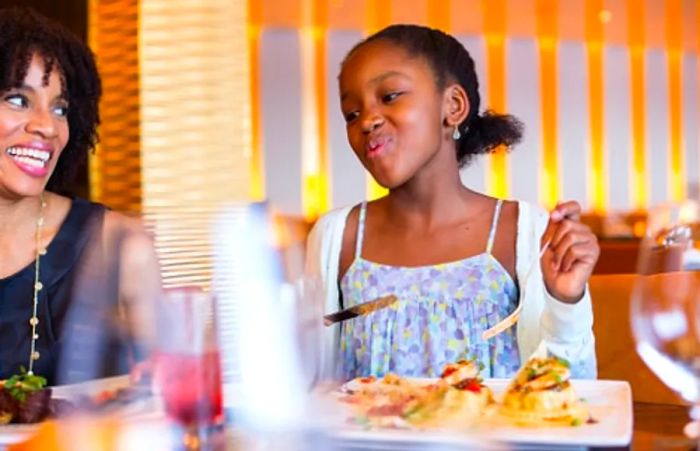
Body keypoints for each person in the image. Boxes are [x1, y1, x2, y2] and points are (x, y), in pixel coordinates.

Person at [305, 24, 600, 381]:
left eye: (390, 95)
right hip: (361, 439)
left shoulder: (527, 230)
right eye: (351, 113)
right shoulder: (337, 236)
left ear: (453, 106)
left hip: (495, 438)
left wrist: (565, 302)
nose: (367, 120)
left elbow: (568, 393)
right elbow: (312, 385)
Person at [0, 8, 160, 385]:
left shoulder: (119, 247)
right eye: (18, 100)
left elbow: (170, 406)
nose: (47, 126)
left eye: (60, 109)